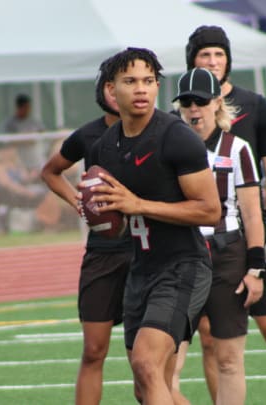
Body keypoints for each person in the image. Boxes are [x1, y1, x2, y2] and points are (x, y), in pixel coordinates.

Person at [86, 47, 220, 404]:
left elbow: (210, 211)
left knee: (146, 363)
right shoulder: (104, 149)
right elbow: (111, 215)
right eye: (130, 81)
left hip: (182, 265)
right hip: (140, 268)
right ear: (111, 91)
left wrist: (138, 205)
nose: (141, 89)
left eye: (149, 81)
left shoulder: (176, 137)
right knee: (148, 385)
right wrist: (100, 215)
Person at [186, 25, 266, 404]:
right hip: (206, 240)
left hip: (251, 233)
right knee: (210, 338)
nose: (213, 61)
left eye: (219, 54)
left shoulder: (258, 107)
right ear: (193, 61)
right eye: (205, 55)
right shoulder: (185, 112)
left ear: (228, 60)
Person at [41, 55, 133, 405]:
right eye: (111, 83)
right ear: (103, 89)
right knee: (94, 351)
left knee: (146, 361)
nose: (117, 90)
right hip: (103, 252)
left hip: (148, 252)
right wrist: (78, 202)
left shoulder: (162, 130)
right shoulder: (88, 135)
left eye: (129, 81)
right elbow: (51, 172)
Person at [171, 67, 265, 405]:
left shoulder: (237, 148)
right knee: (166, 365)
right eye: (186, 103)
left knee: (228, 359)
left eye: (200, 101)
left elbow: (252, 212)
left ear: (217, 102)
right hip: (181, 256)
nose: (193, 109)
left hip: (226, 254)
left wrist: (256, 269)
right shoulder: (168, 146)